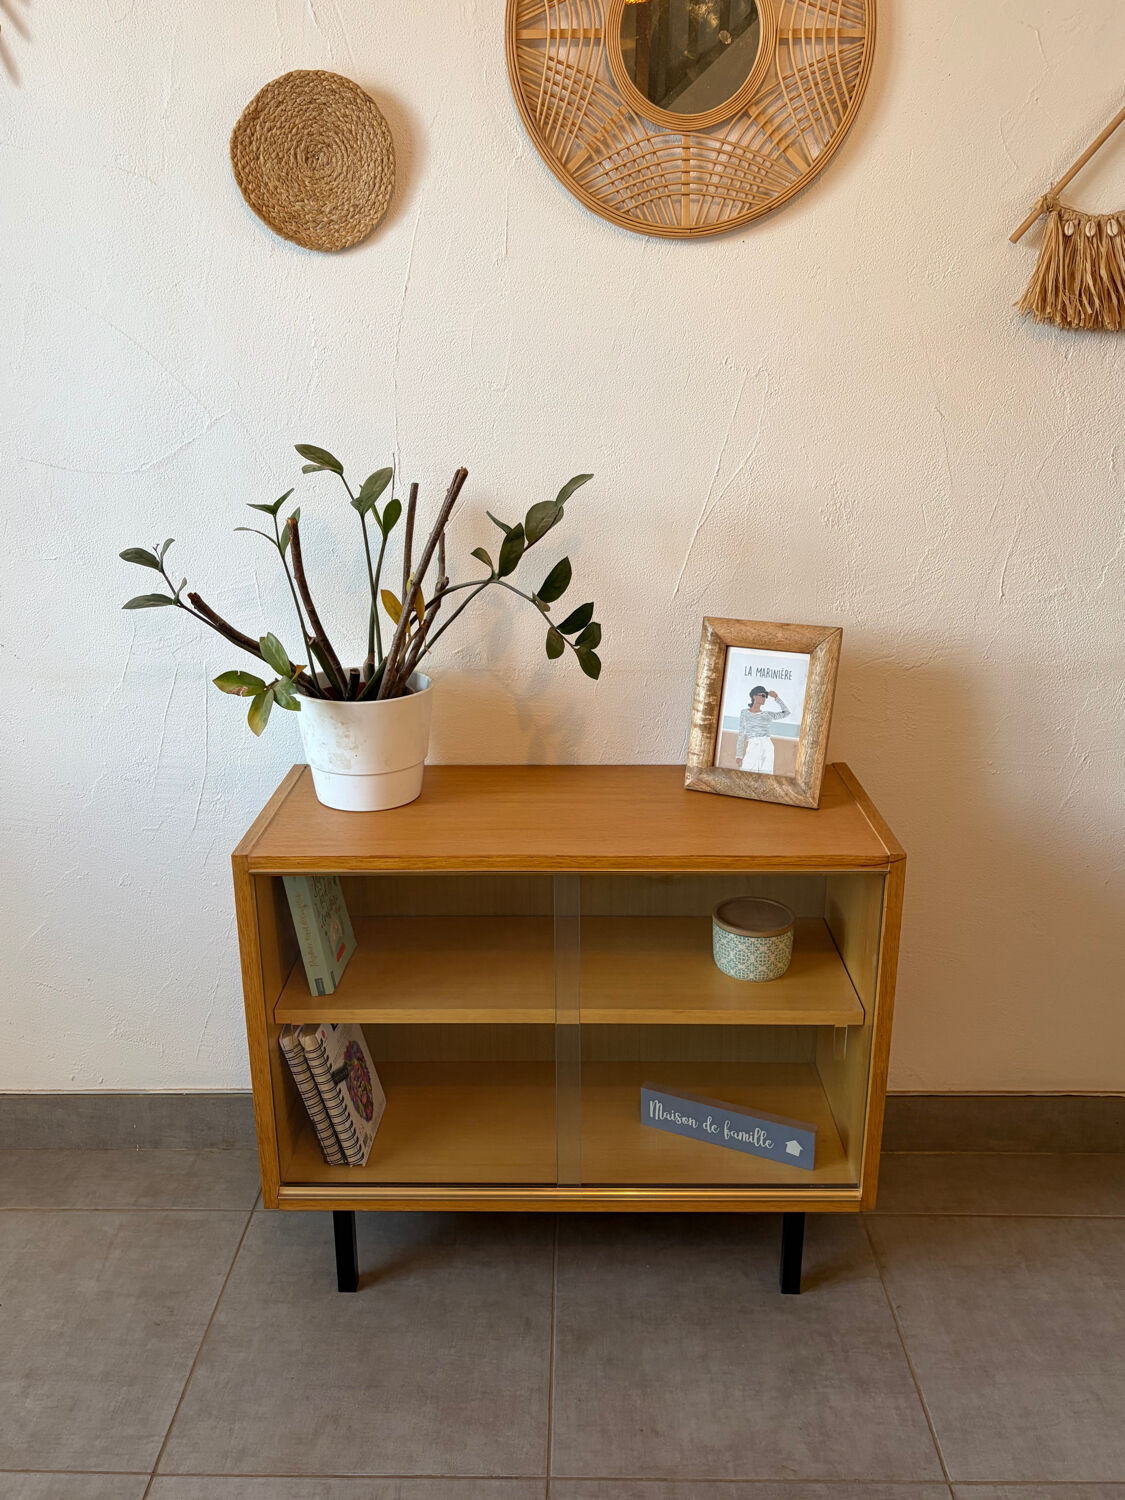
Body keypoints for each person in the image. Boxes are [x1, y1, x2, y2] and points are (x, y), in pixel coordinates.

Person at [735, 686, 790, 773]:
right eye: (763, 695)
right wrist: (739, 755)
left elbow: (787, 712)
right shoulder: (744, 713)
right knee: (746, 774)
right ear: (754, 696)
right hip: (752, 745)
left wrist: (776, 698)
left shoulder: (767, 714)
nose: (765, 698)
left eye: (766, 696)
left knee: (765, 775)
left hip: (767, 746)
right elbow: (741, 734)